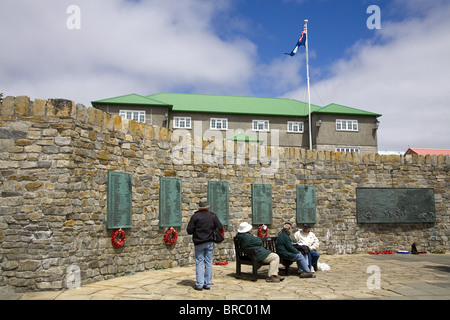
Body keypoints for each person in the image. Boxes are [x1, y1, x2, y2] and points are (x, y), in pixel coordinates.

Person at [187, 198, 223, 291]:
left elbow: (189, 230)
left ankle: (199, 284)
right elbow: (220, 227)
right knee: (208, 262)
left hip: (199, 242)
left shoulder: (195, 217)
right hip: (209, 242)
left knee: (199, 262)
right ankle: (207, 283)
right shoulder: (212, 216)